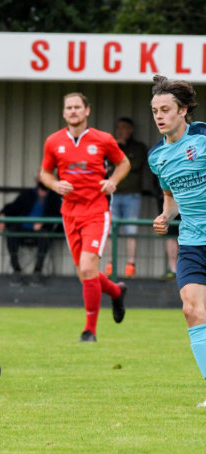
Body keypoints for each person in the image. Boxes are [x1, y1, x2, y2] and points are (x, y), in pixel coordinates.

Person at [39, 92, 130, 342]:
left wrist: (112, 181)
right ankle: (116, 291)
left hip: (96, 210)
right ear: (63, 112)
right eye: (69, 107)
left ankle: (90, 331)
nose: (73, 111)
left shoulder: (103, 139)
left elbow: (123, 163)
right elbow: (45, 173)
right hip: (70, 212)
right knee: (84, 274)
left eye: (77, 107)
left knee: (89, 268)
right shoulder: (53, 141)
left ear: (87, 110)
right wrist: (55, 184)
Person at [148, 75, 206, 408]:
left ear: (183, 110)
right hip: (193, 243)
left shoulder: (203, 138)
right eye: (155, 111)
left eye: (166, 110)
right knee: (191, 310)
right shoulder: (157, 156)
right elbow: (171, 197)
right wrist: (165, 216)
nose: (159, 116)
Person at [0, 171, 62, 284]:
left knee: (44, 236)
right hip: (23, 229)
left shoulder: (54, 197)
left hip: (41, 231)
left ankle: (37, 272)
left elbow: (59, 214)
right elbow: (13, 207)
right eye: (40, 177)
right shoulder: (27, 194)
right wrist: (2, 215)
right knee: (11, 233)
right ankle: (16, 270)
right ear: (37, 180)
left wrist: (43, 222)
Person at [105, 117, 148, 278]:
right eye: (118, 128)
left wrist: (119, 155)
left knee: (131, 230)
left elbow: (133, 165)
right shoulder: (111, 145)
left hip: (132, 195)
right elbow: (105, 164)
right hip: (113, 194)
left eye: (124, 127)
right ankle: (110, 263)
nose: (120, 131)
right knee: (110, 230)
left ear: (131, 130)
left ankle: (131, 265)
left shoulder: (138, 147)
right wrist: (116, 147)